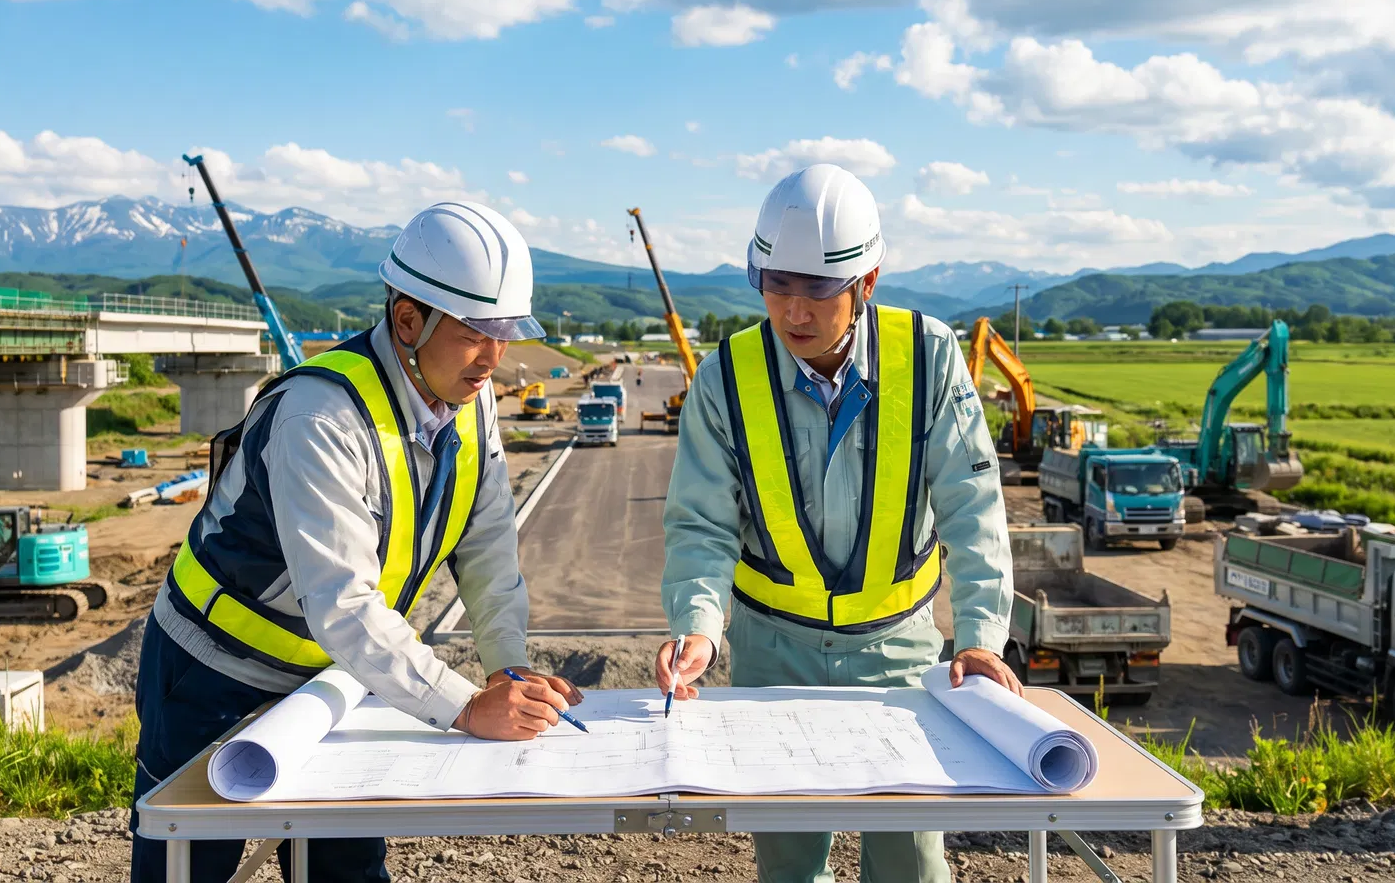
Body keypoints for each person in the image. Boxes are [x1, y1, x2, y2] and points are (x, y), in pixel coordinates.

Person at [131, 200, 582, 883]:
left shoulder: (471, 396)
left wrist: (506, 668)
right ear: (408, 319)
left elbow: (487, 544)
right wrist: (461, 706)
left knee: (343, 867)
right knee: (188, 867)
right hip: (214, 674)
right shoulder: (320, 416)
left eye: (507, 333)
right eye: (476, 333)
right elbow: (342, 601)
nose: (495, 356)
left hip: (338, 678)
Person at [656, 164, 1017, 883]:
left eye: (818, 288)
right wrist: (699, 625)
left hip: (900, 655)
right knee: (788, 864)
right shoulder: (726, 377)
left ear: (868, 281)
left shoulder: (931, 358)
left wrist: (980, 640)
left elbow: (973, 509)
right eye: (777, 284)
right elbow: (701, 524)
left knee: (910, 864)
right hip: (771, 655)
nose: (794, 310)